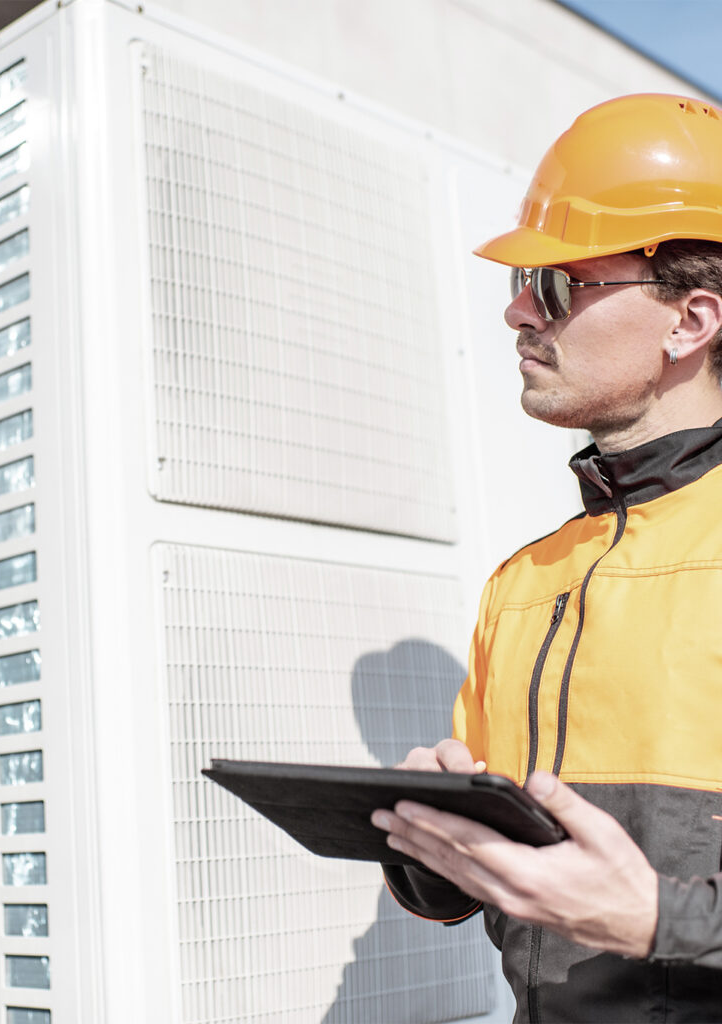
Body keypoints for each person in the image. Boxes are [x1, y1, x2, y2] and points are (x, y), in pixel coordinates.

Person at [371, 93, 722, 1022]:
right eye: (525, 285)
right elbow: (492, 893)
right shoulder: (522, 587)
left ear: (690, 321)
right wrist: (431, 851)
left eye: (562, 284)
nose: (519, 313)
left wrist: (657, 918)